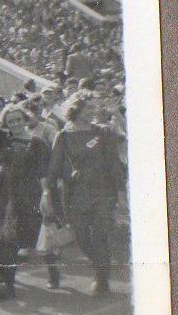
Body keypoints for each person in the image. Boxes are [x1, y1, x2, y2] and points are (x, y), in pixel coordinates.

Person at [43, 90, 124, 295]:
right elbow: (54, 168)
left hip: (103, 193)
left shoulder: (103, 132)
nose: (91, 111)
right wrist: (47, 193)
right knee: (81, 238)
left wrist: (121, 192)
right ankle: (102, 267)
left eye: (93, 108)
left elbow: (114, 164)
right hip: (75, 194)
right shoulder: (64, 135)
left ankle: (101, 279)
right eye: (87, 108)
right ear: (75, 109)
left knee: (99, 236)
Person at [0, 103, 58, 300]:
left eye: (18, 120)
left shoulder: (37, 143)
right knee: (8, 239)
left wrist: (46, 194)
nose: (15, 124)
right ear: (5, 123)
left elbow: (42, 172)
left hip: (30, 194)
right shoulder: (3, 138)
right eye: (10, 121)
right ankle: (9, 285)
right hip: (6, 195)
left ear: (25, 120)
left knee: (37, 236)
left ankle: (53, 269)